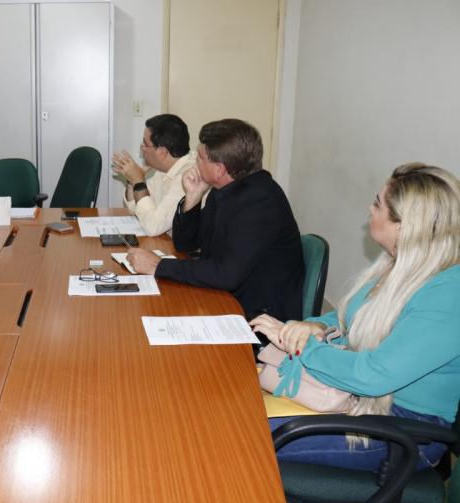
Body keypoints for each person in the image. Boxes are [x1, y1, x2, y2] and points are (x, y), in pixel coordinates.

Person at [251, 163, 460, 470]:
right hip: (359, 401)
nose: (369, 208)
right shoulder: (399, 264)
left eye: (377, 204)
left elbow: (372, 375)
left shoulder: (448, 296)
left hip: (403, 430)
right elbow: (349, 317)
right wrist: (315, 326)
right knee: (236, 410)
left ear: (404, 227)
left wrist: (304, 347)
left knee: (246, 436)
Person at [128, 118, 304, 322]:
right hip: (227, 297)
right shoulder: (225, 189)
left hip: (260, 319)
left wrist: (158, 266)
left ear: (220, 170)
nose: (194, 161)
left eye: (200, 157)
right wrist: (193, 199)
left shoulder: (260, 202)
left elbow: (226, 273)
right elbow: (186, 244)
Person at [111, 114, 195, 236]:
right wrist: (132, 179)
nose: (141, 148)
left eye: (145, 144)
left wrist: (138, 181)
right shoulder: (163, 169)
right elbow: (136, 210)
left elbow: (153, 227)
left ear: (162, 152)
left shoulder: (187, 177)